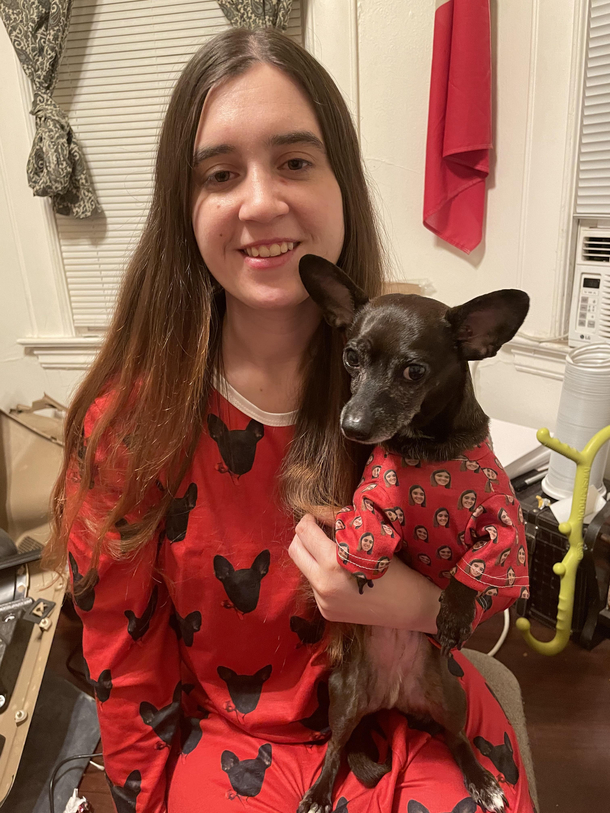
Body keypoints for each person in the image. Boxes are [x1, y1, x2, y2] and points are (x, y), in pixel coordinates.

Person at [44, 28, 534, 813]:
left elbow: (492, 573)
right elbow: (123, 659)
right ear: (184, 204)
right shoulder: (129, 426)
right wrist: (149, 795)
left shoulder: (419, 373)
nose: (262, 200)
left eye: (296, 161)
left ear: (342, 182)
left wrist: (408, 602)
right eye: (220, 173)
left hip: (409, 716)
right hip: (229, 745)